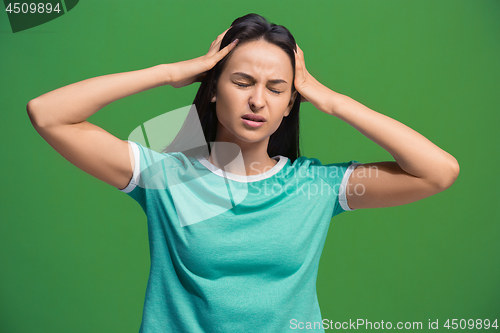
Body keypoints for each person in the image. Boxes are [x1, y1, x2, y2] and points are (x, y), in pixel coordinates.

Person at [27, 13, 459, 333]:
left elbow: (438, 172)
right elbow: (48, 115)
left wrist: (330, 100)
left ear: (292, 102)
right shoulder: (164, 177)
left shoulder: (315, 187)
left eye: (277, 89)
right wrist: (172, 73)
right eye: (242, 82)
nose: (258, 100)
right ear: (213, 88)